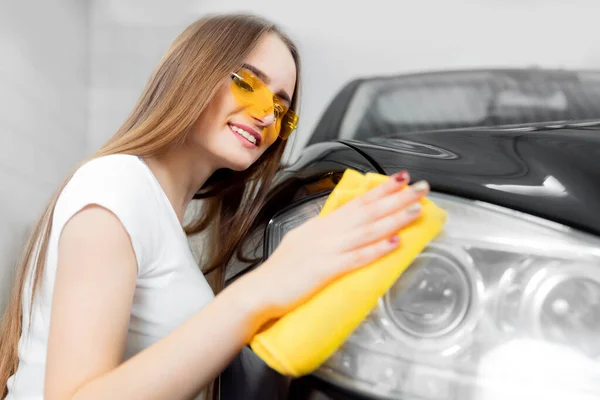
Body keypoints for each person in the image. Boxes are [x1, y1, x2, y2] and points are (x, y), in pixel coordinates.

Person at [0, 13, 429, 400]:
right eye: (247, 82)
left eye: (281, 107)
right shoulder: (117, 183)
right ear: (191, 74)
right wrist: (263, 289)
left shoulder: (160, 214)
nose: (266, 116)